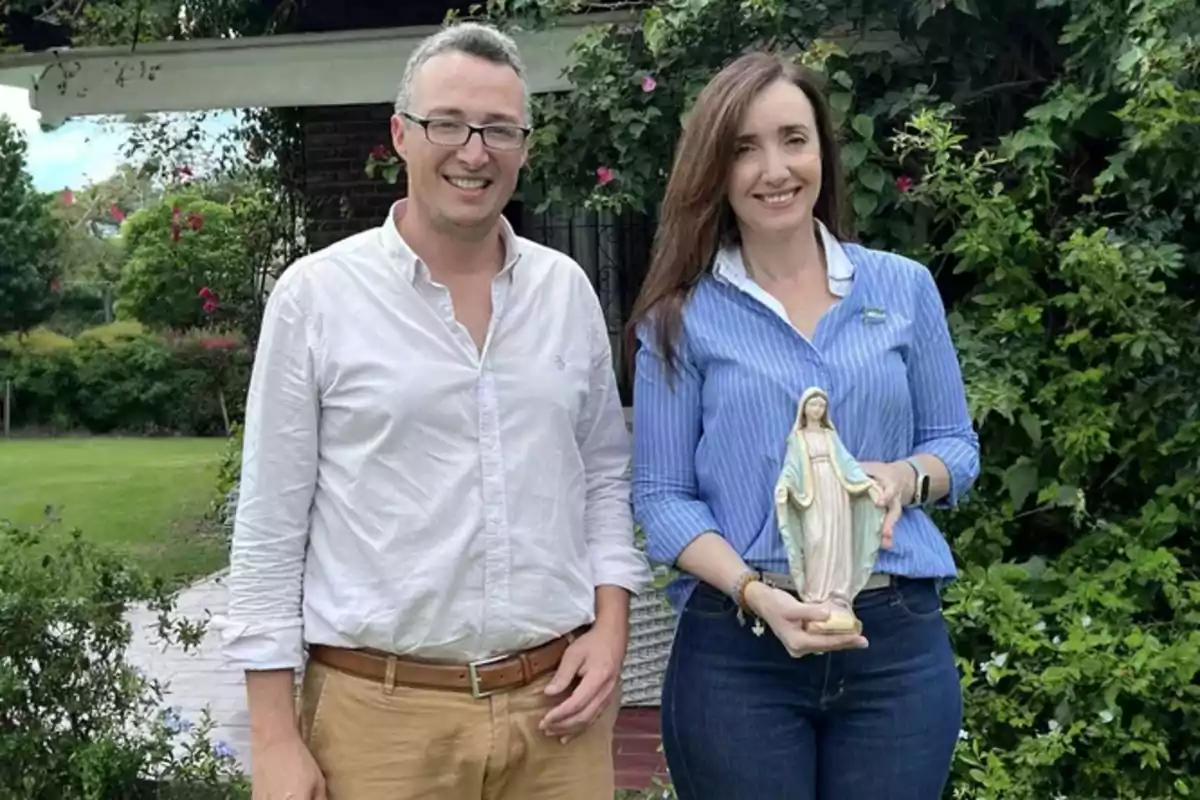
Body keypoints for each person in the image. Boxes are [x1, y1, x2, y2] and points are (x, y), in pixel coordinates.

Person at [216, 20, 651, 800]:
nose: (473, 151)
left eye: (499, 129)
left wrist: (611, 626)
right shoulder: (316, 298)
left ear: (524, 142)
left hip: (557, 718)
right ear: (400, 135)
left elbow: (604, 478)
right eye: (446, 123)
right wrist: (275, 738)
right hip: (379, 722)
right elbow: (269, 529)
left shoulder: (566, 293)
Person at [628, 52, 980, 800]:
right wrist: (756, 594)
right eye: (744, 148)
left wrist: (904, 477)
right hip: (738, 650)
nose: (775, 169)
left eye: (794, 139)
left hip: (896, 644)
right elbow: (662, 498)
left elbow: (956, 446)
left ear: (823, 149)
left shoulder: (902, 288)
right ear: (714, 171)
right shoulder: (679, 318)